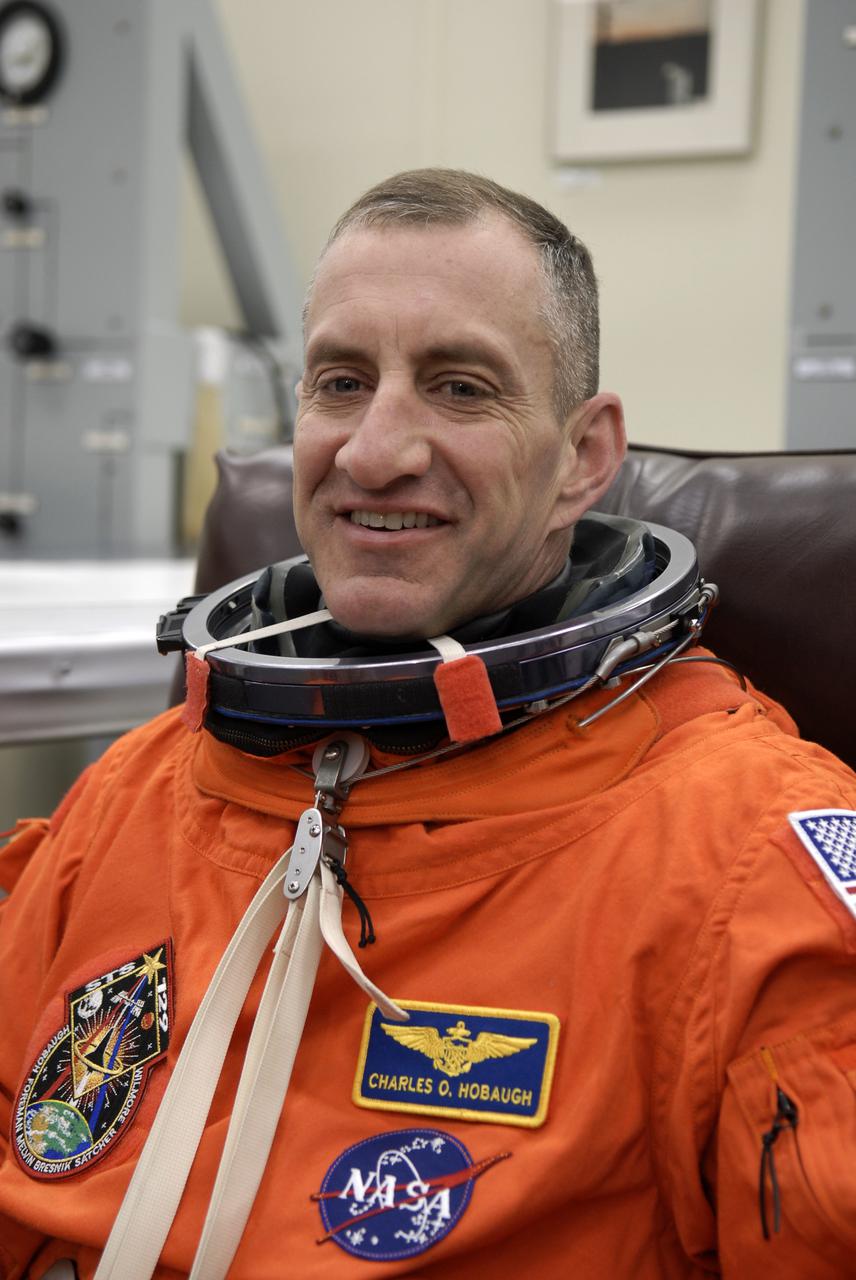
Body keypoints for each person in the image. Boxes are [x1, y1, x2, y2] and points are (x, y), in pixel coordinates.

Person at [1, 169, 855, 1280]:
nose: (373, 450)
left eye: (459, 387)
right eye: (341, 382)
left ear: (583, 459)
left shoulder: (747, 864)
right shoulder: (134, 793)